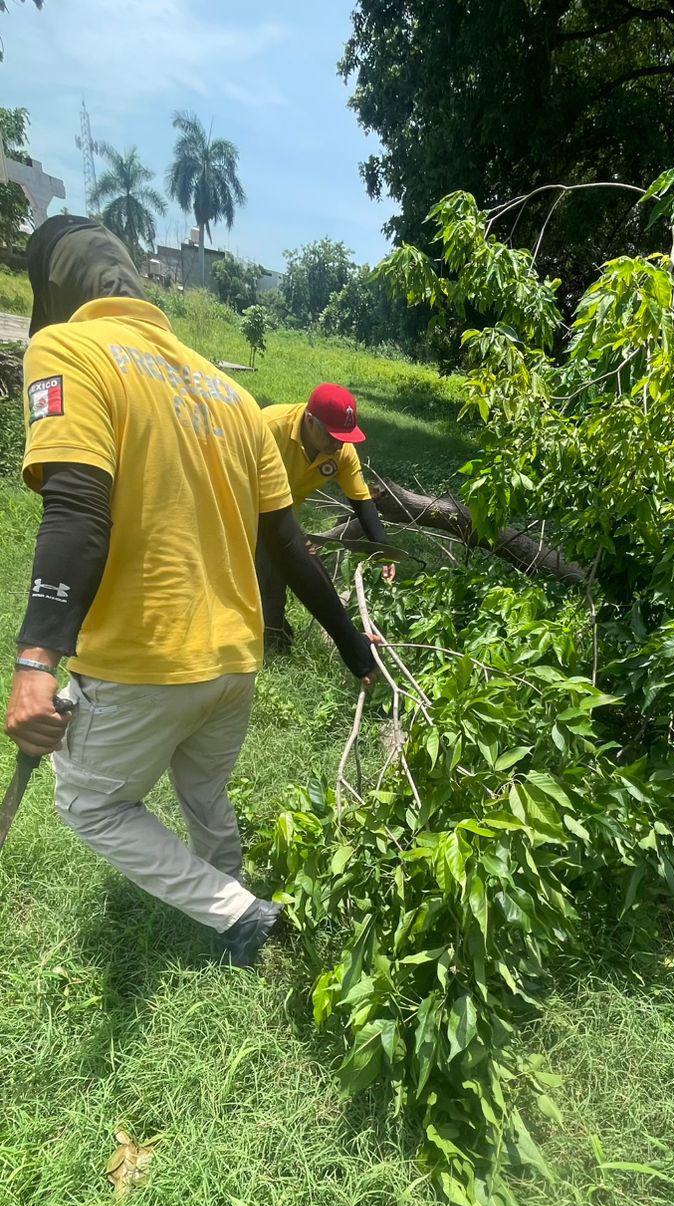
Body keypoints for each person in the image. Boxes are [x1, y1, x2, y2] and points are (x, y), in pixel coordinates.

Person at [3, 216, 375, 967]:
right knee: (203, 786)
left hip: (145, 662)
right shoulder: (231, 396)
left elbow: (76, 509)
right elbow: (294, 552)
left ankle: (237, 913)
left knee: (90, 804)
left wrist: (36, 662)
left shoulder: (68, 348)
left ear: (54, 289)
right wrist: (352, 646)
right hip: (235, 661)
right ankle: (232, 886)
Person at [258, 384, 394, 650]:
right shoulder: (269, 426)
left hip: (283, 515)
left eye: (344, 436)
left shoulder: (341, 452)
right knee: (256, 569)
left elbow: (361, 501)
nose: (339, 443)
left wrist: (384, 550)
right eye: (333, 435)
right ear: (310, 420)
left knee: (280, 572)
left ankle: (273, 637)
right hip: (244, 503)